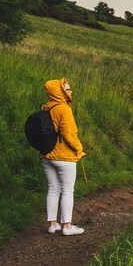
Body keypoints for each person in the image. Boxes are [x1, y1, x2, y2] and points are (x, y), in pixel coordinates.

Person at [40, 78, 86, 236]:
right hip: (64, 157)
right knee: (67, 190)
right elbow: (68, 134)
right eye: (67, 89)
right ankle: (67, 226)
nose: (71, 91)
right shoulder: (64, 109)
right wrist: (79, 149)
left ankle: (53, 225)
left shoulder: (46, 107)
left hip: (46, 155)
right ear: (60, 92)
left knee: (53, 189)